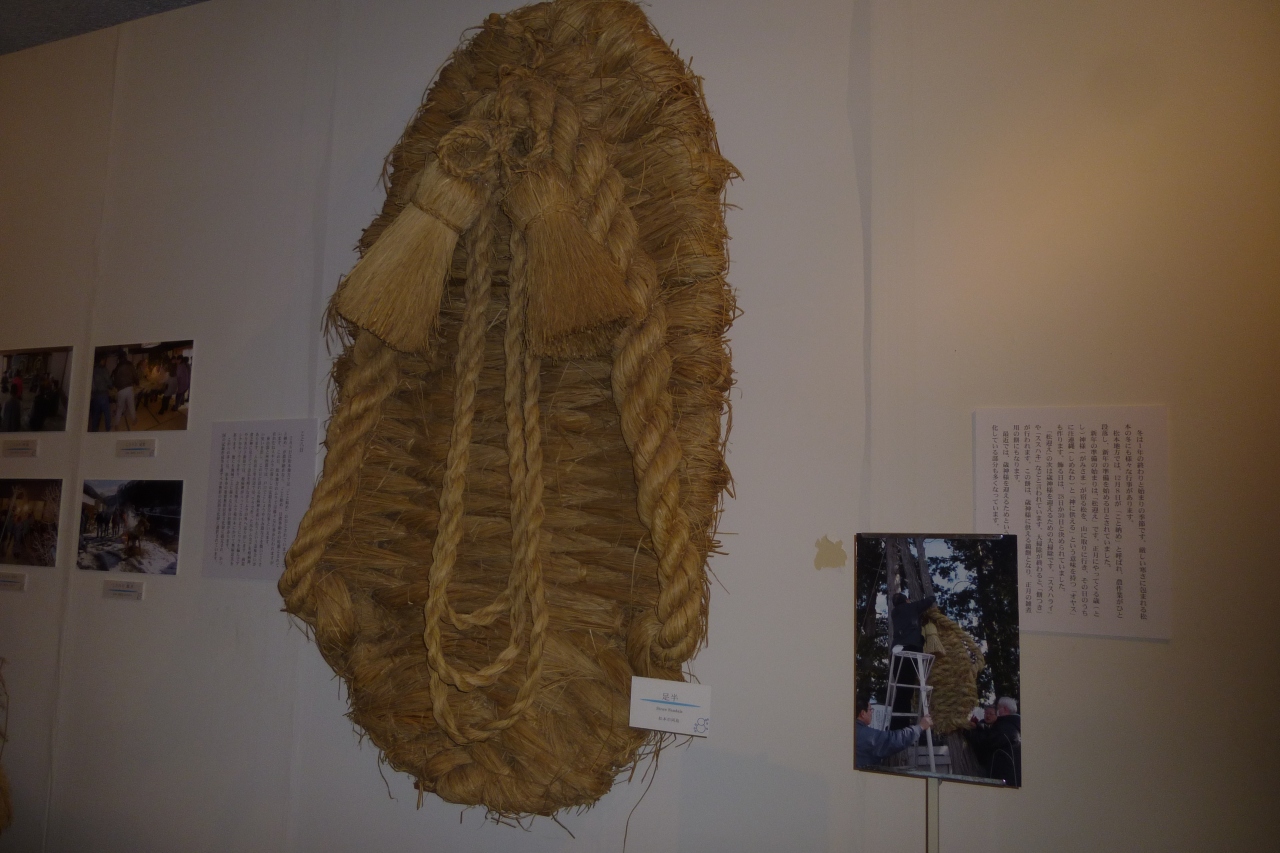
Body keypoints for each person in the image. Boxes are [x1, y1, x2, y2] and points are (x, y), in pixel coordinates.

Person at [888, 591, 935, 729]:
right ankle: (902, 726)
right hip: (911, 651)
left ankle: (897, 725)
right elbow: (928, 601)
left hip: (897, 652)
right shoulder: (912, 607)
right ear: (907, 600)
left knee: (902, 689)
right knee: (907, 691)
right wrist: (932, 596)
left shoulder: (894, 613)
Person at [856, 697, 933, 768]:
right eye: (870, 710)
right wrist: (920, 727)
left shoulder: (853, 729)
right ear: (863, 713)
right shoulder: (864, 734)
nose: (872, 713)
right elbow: (892, 740)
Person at [965, 696, 1021, 785]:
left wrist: (969, 732)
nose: (997, 711)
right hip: (1011, 776)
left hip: (1004, 778)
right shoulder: (1013, 725)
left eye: (998, 708)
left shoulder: (1005, 727)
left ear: (1005, 709)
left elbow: (985, 743)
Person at [112, 352, 138, 430]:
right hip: (129, 388)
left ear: (119, 358)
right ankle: (134, 420)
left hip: (121, 390)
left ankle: (116, 424)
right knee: (131, 405)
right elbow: (135, 375)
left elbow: (114, 381)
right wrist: (137, 383)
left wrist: (116, 387)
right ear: (125, 357)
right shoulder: (130, 364)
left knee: (120, 407)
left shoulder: (117, 367)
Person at [89, 354, 112, 431]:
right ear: (101, 360)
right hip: (103, 394)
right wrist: (111, 386)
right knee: (107, 414)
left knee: (95, 414)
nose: (105, 361)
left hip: (95, 395)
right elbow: (109, 382)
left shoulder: (92, 370)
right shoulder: (103, 370)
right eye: (104, 360)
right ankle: (108, 430)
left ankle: (94, 430)